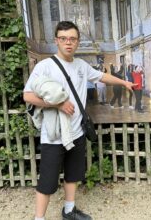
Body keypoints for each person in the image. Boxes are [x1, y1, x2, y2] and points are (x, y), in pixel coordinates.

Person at [23, 21, 135, 220]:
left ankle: (69, 210)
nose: (68, 43)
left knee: (73, 174)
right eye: (64, 39)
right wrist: (57, 104)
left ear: (77, 42)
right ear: (57, 41)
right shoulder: (45, 66)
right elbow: (28, 96)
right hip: (54, 135)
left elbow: (102, 77)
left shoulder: (81, 65)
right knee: (47, 182)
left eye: (72, 39)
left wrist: (124, 82)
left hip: (77, 132)